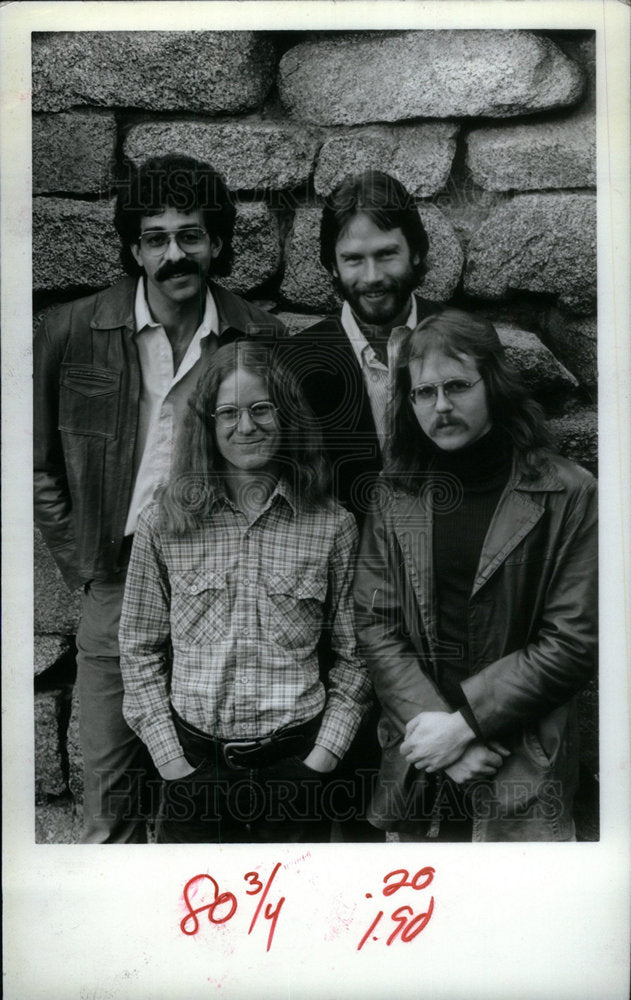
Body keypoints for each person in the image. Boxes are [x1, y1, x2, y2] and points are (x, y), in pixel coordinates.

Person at [33, 154, 285, 843]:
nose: (175, 254)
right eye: (156, 237)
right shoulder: (71, 331)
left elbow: (279, 460)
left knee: (209, 803)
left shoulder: (259, 337)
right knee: (109, 808)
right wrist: (84, 565)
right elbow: (36, 465)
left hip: (224, 588)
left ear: (219, 242)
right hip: (114, 583)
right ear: (132, 247)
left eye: (191, 235)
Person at [354, 309, 597, 841]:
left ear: (495, 382)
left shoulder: (568, 493)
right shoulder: (396, 493)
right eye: (424, 393)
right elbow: (376, 624)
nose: (441, 406)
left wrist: (461, 729)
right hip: (419, 763)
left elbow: (573, 641)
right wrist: (440, 743)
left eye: (458, 386)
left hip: (522, 765)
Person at [119, 341, 372, 843]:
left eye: (261, 409)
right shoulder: (165, 523)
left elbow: (357, 657)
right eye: (229, 413)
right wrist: (173, 766)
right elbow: (138, 648)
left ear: (286, 417)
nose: (247, 426)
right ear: (207, 426)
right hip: (193, 771)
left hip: (294, 770)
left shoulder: (332, 525)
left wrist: (318, 764)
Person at [278, 170, 439, 839]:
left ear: (417, 254)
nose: (371, 275)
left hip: (441, 610)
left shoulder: (459, 345)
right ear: (330, 268)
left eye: (386, 254)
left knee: (434, 787)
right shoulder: (298, 360)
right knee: (343, 806)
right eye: (353, 259)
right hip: (334, 621)